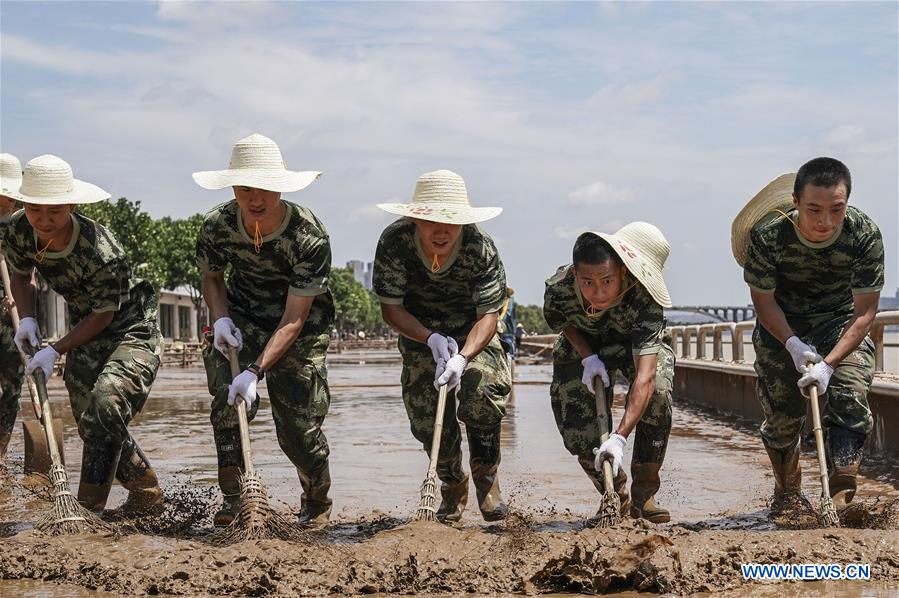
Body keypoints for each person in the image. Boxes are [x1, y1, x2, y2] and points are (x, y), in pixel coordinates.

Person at [5, 154, 163, 512]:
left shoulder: (101, 250)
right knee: (91, 422)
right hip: (85, 328)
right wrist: (27, 318)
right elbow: (21, 275)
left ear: (72, 206)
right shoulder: (18, 229)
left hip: (130, 330)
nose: (44, 220)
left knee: (106, 404)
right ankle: (146, 490)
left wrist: (55, 350)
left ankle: (88, 509)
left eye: (54, 211)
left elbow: (105, 314)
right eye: (35, 209)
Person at [193, 133, 336, 528]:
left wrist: (256, 371)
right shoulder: (217, 225)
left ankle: (316, 500)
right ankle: (235, 500)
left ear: (280, 187)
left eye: (264, 189)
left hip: (300, 327)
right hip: (242, 316)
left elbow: (294, 318)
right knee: (228, 399)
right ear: (233, 189)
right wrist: (220, 318)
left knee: (298, 428)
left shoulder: (308, 236)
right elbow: (212, 276)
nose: (255, 199)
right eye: (245, 189)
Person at [733, 157, 883, 514]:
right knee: (783, 416)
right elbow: (763, 302)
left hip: (839, 321)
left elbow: (864, 312)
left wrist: (829, 365)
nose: (825, 221)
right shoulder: (768, 236)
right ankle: (787, 490)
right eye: (814, 209)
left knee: (850, 392)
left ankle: (841, 493)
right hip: (781, 324)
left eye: (836, 209)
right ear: (796, 202)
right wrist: (792, 344)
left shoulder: (863, 234)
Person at [373, 169, 511, 522]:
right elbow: (391, 308)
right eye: (431, 221)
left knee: (482, 392)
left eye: (451, 223)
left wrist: (463, 358)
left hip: (474, 334)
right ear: (415, 219)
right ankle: (452, 483)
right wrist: (430, 338)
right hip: (420, 333)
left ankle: (487, 480)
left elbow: (488, 316)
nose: (441, 231)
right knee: (424, 413)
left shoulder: (480, 248)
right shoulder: (395, 243)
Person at [543, 223, 675, 523]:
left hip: (632, 346)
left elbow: (645, 377)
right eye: (588, 282)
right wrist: (587, 356)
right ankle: (614, 493)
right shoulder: (559, 288)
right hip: (584, 346)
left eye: (607, 281)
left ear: (622, 273)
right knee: (575, 422)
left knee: (658, 393)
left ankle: (644, 496)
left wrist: (619, 438)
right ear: (575, 275)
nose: (598, 293)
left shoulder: (644, 295)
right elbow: (564, 322)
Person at [0, 153, 25, 466]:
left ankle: (1, 454)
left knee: (13, 381)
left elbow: (29, 268)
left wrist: (16, 297)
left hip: (12, 311)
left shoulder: (23, 221)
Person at [497, 287, 518, 361]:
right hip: (502, 332)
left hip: (507, 332)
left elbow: (505, 315)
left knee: (509, 356)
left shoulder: (509, 302)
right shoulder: (501, 301)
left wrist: (497, 323)